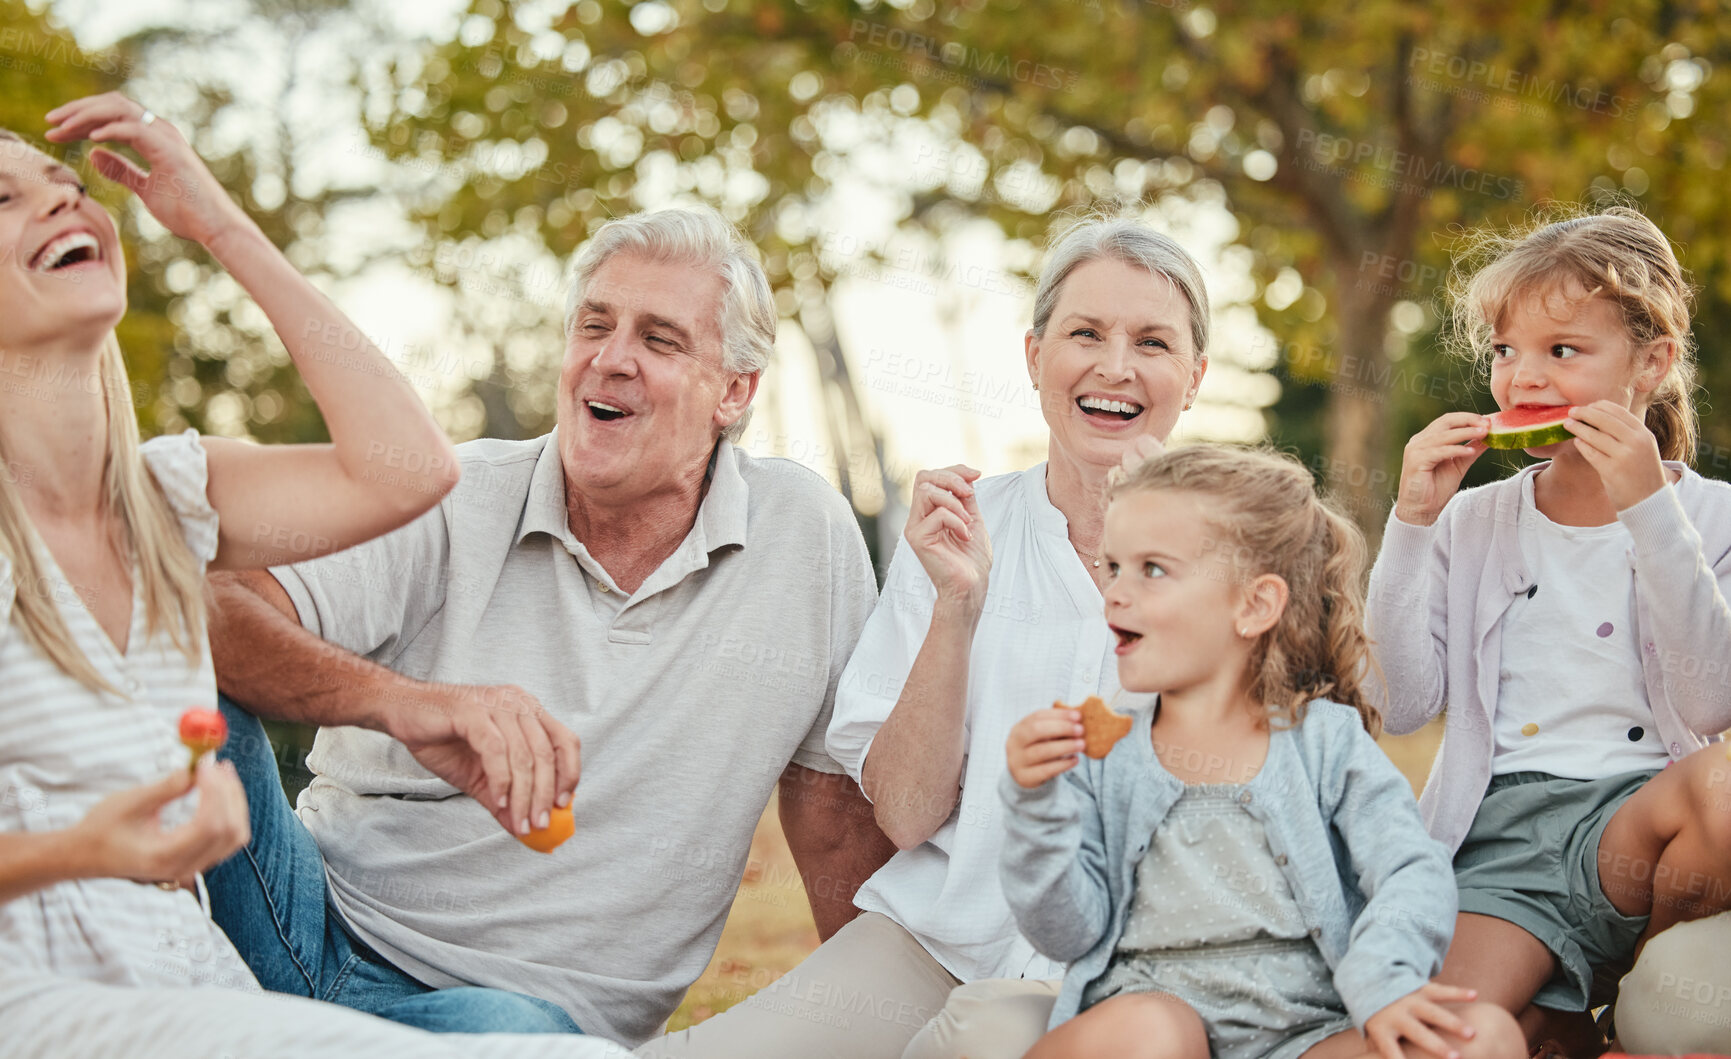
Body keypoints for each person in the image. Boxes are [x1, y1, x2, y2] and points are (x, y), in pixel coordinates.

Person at [0, 95, 624, 1058]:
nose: (63, 206)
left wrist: (217, 222)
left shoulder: (165, 499)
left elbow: (409, 467)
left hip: (196, 986)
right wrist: (82, 852)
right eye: (3, 198)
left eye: (70, 188)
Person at [204, 205, 893, 1046]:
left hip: (517, 1015)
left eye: (659, 339)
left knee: (514, 1036)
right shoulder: (454, 495)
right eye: (593, 326)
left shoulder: (803, 538)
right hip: (296, 921)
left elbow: (832, 815)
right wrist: (400, 702)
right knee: (168, 679)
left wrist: (883, 1032)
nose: (610, 358)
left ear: (735, 390)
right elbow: (212, 608)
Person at [634, 215, 1210, 1059]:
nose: (1114, 366)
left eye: (1151, 342)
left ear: (1193, 376)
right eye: (1084, 332)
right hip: (935, 944)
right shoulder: (958, 533)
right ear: (1034, 355)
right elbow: (905, 814)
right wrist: (956, 607)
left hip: (1131, 971)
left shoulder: (1246, 549)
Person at [1000, 445, 1524, 1059]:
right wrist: (1036, 809)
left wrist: (1385, 981)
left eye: (1153, 569)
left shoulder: (1327, 743)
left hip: (1306, 1039)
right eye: (1111, 566)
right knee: (1154, 1030)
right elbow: (1067, 932)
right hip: (1148, 1025)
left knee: (1483, 1038)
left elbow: (1412, 872)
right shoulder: (1100, 755)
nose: (1115, 592)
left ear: (1254, 605)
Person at [1367, 207, 1731, 1054]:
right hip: (1507, 840)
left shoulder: (1712, 517)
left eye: (1561, 350)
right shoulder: (1473, 519)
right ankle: (1565, 1022)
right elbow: (1402, 702)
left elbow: (1711, 703)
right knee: (1454, 1035)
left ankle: (1634, 993)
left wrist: (1648, 508)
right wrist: (1413, 522)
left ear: (1651, 362)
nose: (1521, 377)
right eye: (1504, 350)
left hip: (1646, 823)